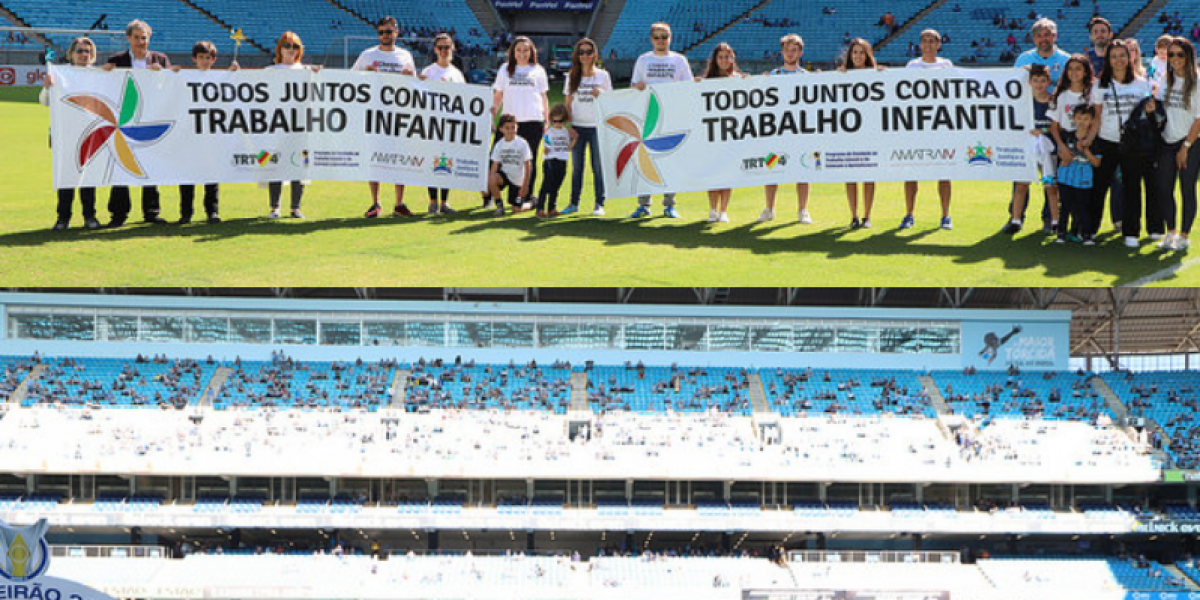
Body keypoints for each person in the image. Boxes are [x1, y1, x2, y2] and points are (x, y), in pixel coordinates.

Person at [1088, 39, 1158, 247]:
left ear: (1129, 57)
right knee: (1099, 187)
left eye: (1122, 55)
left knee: (1132, 188)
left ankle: (1131, 232)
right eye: (1114, 56)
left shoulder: (1141, 83)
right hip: (1107, 141)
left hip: (1133, 143)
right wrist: (1088, 140)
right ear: (1108, 60)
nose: (1118, 60)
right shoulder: (1099, 85)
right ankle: (1090, 230)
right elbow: (1097, 117)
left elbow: (1147, 115)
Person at [103, 20, 170, 227]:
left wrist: (163, 76)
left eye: (144, 38)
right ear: (128, 38)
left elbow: (173, 89)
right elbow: (103, 86)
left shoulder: (160, 59)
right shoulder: (116, 60)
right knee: (121, 166)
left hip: (151, 120)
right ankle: (118, 215)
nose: (141, 42)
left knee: (150, 167)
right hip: (123, 120)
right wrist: (101, 72)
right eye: (137, 37)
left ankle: (151, 212)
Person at [353, 16, 418, 219]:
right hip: (375, 114)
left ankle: (399, 204)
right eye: (381, 32)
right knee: (374, 158)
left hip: (399, 114)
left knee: (399, 159)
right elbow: (350, 79)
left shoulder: (405, 55)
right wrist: (366, 73)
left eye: (388, 32)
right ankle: (375, 203)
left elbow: (415, 86)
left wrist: (410, 78)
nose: (384, 36)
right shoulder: (367, 55)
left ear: (396, 32)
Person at [630, 22, 693, 219]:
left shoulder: (679, 60)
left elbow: (688, 87)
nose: (661, 41)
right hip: (647, 116)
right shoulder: (643, 60)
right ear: (651, 39)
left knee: (670, 161)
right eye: (657, 37)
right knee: (645, 159)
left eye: (664, 37)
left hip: (672, 116)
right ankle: (644, 204)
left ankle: (670, 204)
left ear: (670, 38)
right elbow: (634, 86)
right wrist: (637, 87)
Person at [1013, 19, 1071, 230]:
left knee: (1052, 179)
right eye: (1039, 35)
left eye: (1047, 35)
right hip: (1028, 127)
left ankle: (1051, 219)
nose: (1043, 39)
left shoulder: (1065, 60)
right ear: (1034, 38)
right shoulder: (1023, 59)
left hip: (1053, 126)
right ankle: (1016, 217)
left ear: (1054, 37)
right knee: (1021, 176)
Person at [41, 37, 101, 231]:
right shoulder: (61, 74)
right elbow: (44, 102)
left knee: (88, 180)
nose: (84, 55)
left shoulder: (98, 75)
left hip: (90, 135)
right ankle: (63, 219)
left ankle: (90, 217)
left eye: (88, 52)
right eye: (81, 51)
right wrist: (47, 86)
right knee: (65, 179)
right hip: (65, 136)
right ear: (71, 53)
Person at [757, 34, 812, 224]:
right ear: (782, 52)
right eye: (787, 50)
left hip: (799, 132)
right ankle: (769, 208)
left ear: (800, 52)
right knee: (771, 169)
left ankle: (803, 210)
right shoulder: (773, 75)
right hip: (776, 132)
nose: (790, 53)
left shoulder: (806, 77)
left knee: (803, 170)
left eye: (794, 50)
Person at [902, 30, 954, 230]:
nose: (929, 45)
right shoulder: (912, 66)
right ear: (920, 44)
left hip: (940, 126)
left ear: (939, 44)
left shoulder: (946, 65)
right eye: (925, 41)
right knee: (911, 172)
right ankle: (908, 214)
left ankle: (945, 215)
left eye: (932, 41)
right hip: (916, 127)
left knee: (944, 172)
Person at [490, 36, 549, 212]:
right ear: (512, 52)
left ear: (531, 52)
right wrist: (493, 113)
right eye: (518, 50)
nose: (522, 54)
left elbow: (543, 97)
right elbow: (499, 95)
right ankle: (494, 195)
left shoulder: (538, 70)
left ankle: (526, 196)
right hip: (509, 123)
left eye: (526, 50)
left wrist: (546, 120)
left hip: (533, 121)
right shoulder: (505, 70)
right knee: (497, 159)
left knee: (528, 161)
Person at [1153, 37, 1200, 251]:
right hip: (1167, 141)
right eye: (1171, 54)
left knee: (1186, 189)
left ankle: (1183, 235)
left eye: (1180, 54)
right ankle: (1170, 232)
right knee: (1163, 188)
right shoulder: (1166, 78)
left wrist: (1186, 147)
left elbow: (1199, 119)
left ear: (1189, 56)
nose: (1175, 59)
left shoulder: (1198, 82)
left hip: (1190, 142)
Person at [174, 41, 226, 225]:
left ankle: (212, 211)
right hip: (189, 134)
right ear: (194, 59)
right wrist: (172, 74)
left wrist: (235, 74)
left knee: (212, 175)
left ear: (214, 59)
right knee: (187, 175)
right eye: (201, 57)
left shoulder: (220, 78)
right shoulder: (184, 77)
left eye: (209, 58)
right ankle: (186, 213)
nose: (205, 61)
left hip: (211, 134)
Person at [265, 32, 317, 219]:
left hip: (301, 128)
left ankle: (295, 208)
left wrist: (319, 74)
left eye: (295, 46)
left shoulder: (306, 71)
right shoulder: (270, 71)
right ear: (280, 48)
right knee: (275, 165)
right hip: (277, 126)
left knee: (300, 166)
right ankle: (275, 207)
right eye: (287, 46)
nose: (291, 50)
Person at [1004, 65, 1060, 234]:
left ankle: (1055, 221)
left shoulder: (1053, 101)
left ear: (1048, 82)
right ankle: (1015, 219)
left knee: (1050, 186)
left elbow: (1059, 126)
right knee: (1021, 184)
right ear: (1029, 82)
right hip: (1027, 148)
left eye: (1043, 81)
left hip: (1048, 148)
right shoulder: (1023, 101)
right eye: (1035, 81)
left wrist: (1043, 131)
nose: (1039, 84)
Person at [562, 37, 612, 216]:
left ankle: (599, 203)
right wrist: (569, 126)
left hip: (597, 127)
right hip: (577, 128)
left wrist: (602, 94)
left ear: (595, 55)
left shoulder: (603, 75)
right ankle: (573, 203)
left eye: (588, 52)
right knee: (577, 168)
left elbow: (611, 102)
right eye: (581, 52)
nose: (585, 55)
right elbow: (567, 104)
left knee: (598, 167)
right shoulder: (571, 76)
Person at [420, 32, 466, 216]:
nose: (444, 50)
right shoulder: (428, 72)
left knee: (447, 163)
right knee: (433, 162)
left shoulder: (457, 74)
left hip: (451, 126)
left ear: (452, 48)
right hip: (432, 125)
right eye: (441, 47)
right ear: (435, 49)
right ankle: (432, 202)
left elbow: (465, 100)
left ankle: (444, 202)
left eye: (447, 47)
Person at [839, 38, 881, 228]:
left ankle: (867, 216)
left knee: (869, 175)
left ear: (867, 55)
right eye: (854, 52)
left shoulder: (876, 75)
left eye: (861, 53)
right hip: (848, 134)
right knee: (851, 176)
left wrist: (883, 74)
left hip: (870, 134)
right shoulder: (842, 75)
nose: (857, 56)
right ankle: (853, 216)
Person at [701, 43, 743, 223]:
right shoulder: (706, 81)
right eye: (721, 57)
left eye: (728, 56)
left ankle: (723, 210)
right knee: (713, 173)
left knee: (727, 173)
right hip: (712, 135)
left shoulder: (740, 79)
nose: (725, 60)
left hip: (732, 134)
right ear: (715, 60)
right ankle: (712, 209)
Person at [1055, 107, 1102, 243]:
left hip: (1083, 180)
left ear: (1092, 121)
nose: (1082, 122)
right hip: (1066, 178)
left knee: (1084, 207)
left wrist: (1086, 150)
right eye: (1079, 118)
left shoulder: (1094, 140)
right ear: (1073, 119)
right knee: (1065, 206)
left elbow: (1097, 163)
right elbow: (1060, 153)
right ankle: (1061, 233)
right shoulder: (1067, 136)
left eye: (1086, 119)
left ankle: (1085, 234)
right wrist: (1065, 158)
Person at [488, 114, 532, 216]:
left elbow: (528, 165)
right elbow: (494, 166)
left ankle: (533, 202)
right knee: (492, 178)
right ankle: (499, 205)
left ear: (517, 127)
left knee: (516, 209)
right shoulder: (499, 145)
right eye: (507, 128)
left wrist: (525, 185)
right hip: (505, 175)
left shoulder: (522, 143)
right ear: (501, 129)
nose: (510, 130)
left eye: (513, 127)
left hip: (518, 180)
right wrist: (490, 182)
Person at [535, 104, 571, 218]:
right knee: (546, 184)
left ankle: (551, 208)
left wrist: (575, 139)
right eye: (554, 121)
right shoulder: (549, 132)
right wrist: (546, 148)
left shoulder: (566, 132)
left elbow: (569, 147)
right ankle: (540, 208)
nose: (557, 124)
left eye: (560, 121)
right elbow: (546, 146)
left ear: (564, 120)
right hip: (550, 160)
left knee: (556, 185)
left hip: (562, 160)